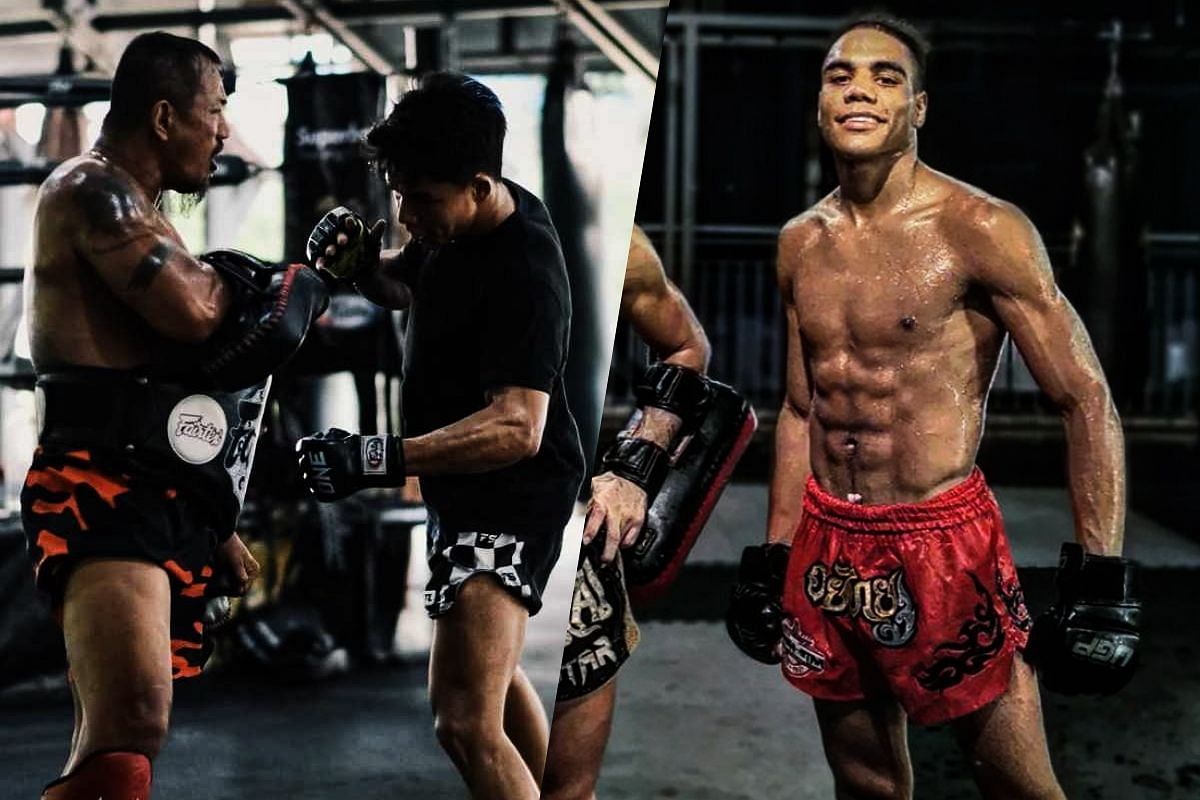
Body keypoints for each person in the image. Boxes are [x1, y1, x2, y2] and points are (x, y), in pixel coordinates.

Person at [725, 15, 1140, 800]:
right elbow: (802, 409)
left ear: (918, 109)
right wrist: (773, 554)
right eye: (840, 74)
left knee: (1018, 785)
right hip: (829, 540)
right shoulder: (799, 243)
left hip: (941, 541)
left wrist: (1103, 580)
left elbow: (1085, 398)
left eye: (887, 77)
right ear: (819, 101)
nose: (859, 89)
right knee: (866, 781)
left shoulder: (981, 229)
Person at [22, 31, 327, 800]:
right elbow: (193, 314)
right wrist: (287, 285)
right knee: (130, 722)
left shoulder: (145, 209)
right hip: (96, 487)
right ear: (164, 117)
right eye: (215, 110)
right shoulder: (95, 190)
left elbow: (163, 383)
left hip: (146, 482)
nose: (223, 130)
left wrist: (212, 521)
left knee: (119, 732)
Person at [296, 72, 585, 800]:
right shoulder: (455, 222)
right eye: (397, 195)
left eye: (418, 201)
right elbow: (407, 285)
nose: (405, 214)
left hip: (510, 497)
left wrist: (377, 457)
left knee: (461, 722)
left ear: (480, 185)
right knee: (491, 685)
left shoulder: (525, 270)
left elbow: (519, 426)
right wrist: (361, 267)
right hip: (470, 496)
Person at [541, 225, 711, 800]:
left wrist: (638, 465)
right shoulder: (439, 244)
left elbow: (686, 347)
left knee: (567, 787)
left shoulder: (622, 247)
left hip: (582, 536)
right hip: (482, 528)